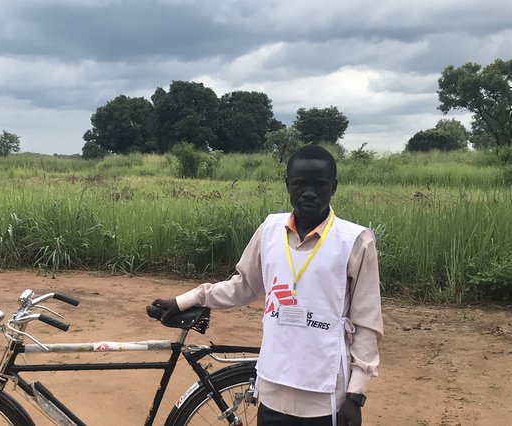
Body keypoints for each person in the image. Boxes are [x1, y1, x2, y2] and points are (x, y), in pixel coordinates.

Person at [152, 144, 383, 426]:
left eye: (319, 185)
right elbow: (242, 286)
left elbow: (367, 322)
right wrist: (185, 300)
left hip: (324, 396)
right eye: (299, 184)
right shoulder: (270, 230)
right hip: (273, 388)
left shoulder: (355, 241)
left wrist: (356, 395)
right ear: (287, 185)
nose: (308, 193)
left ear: (333, 186)